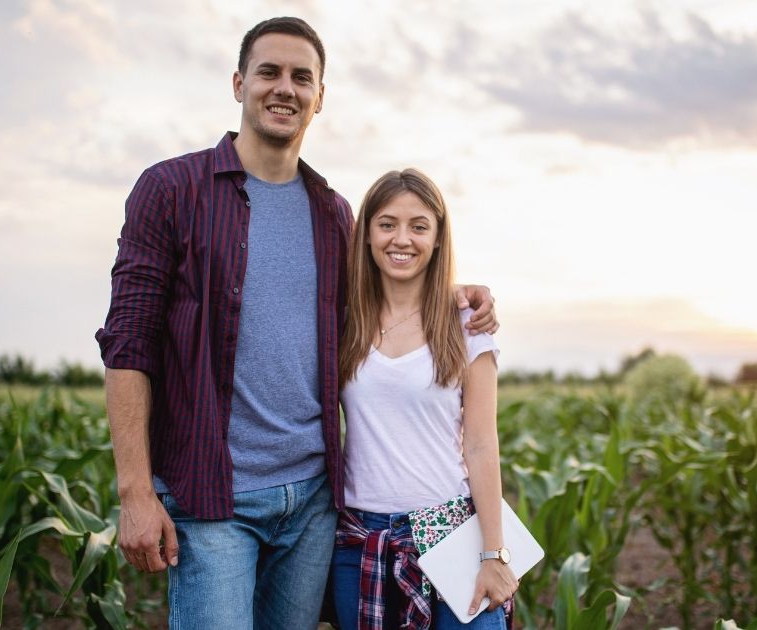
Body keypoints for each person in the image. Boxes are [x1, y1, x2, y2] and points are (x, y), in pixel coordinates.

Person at [95, 17, 498, 628]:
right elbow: (128, 343)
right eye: (269, 72)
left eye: (301, 77)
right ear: (238, 83)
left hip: (313, 503)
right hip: (213, 500)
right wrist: (134, 491)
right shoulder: (172, 190)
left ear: (319, 98)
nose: (285, 88)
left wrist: (453, 292)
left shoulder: (333, 213)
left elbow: (394, 275)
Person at [331, 169, 518, 629]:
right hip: (362, 541)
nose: (402, 238)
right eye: (387, 223)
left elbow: (480, 445)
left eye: (419, 226)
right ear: (368, 235)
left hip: (452, 536)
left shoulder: (466, 327)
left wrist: (494, 553)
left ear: (437, 239)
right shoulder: (343, 323)